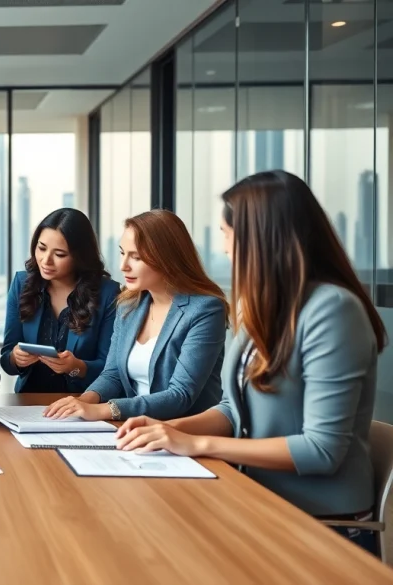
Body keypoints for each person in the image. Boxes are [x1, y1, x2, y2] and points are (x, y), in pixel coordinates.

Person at [116, 171, 386, 554]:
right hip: (258, 502)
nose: (224, 248)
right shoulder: (262, 306)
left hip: (321, 526)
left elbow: (322, 449)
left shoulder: (333, 311)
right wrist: (165, 430)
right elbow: (233, 408)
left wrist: (197, 443)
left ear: (258, 238)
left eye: (226, 234)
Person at [45, 209, 228, 421]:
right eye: (122, 253)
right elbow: (112, 374)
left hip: (184, 434)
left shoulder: (205, 310)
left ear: (167, 258)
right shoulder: (128, 305)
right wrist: (83, 402)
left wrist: (104, 410)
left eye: (136, 257)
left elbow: (180, 395)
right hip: (134, 429)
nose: (123, 266)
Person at [1, 209, 120, 393]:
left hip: (81, 402)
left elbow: (110, 369)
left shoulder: (107, 293)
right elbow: (7, 360)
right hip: (28, 402)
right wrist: (16, 358)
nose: (46, 260)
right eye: (41, 248)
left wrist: (76, 366)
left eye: (60, 254)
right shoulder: (21, 284)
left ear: (80, 257)